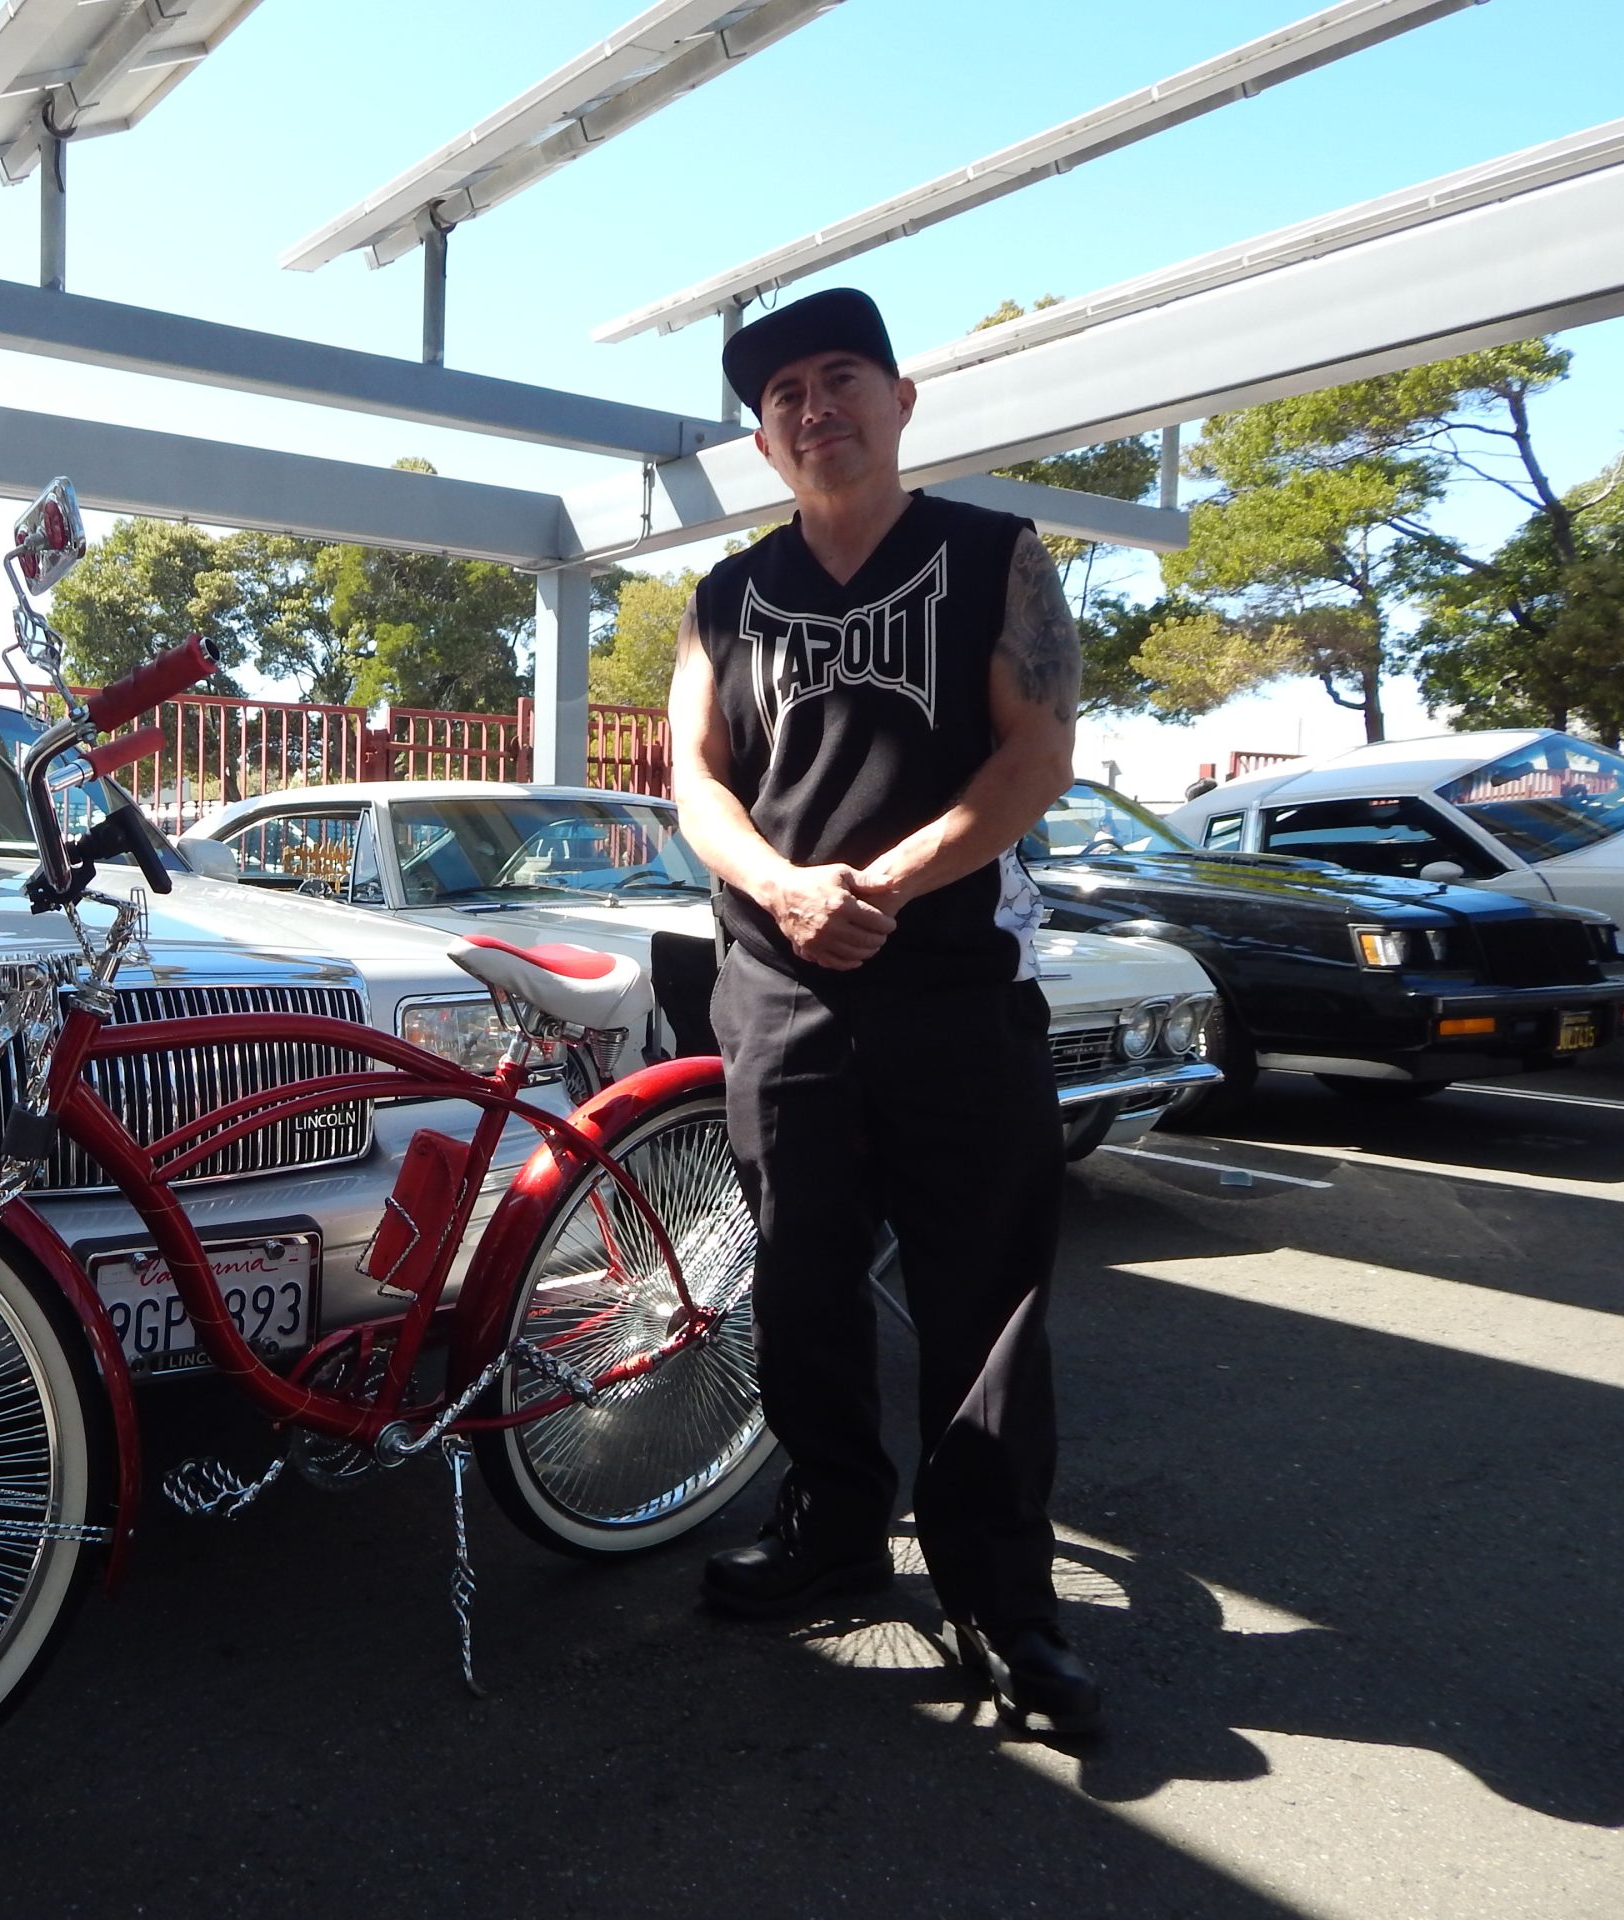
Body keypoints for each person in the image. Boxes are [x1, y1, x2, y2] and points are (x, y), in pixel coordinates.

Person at [668, 288, 1098, 1733]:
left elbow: (1038, 748)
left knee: (986, 1301)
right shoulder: (726, 597)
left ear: (902, 399)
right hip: (779, 988)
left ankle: (1000, 1593)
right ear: (765, 436)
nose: (814, 407)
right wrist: (789, 895)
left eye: (840, 376)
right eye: (783, 394)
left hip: (956, 986)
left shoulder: (994, 556)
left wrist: (889, 885)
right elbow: (698, 783)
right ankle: (834, 1531)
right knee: (800, 1277)